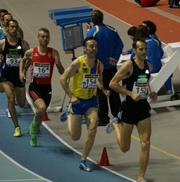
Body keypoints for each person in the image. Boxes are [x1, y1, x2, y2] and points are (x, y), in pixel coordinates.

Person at [106, 39, 157, 182]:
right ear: (134, 50)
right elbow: (112, 84)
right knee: (124, 147)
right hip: (129, 108)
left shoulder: (149, 66)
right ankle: (116, 124)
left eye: (145, 49)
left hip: (142, 108)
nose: (144, 51)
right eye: (141, 49)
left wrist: (150, 92)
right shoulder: (128, 65)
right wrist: (130, 93)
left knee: (145, 143)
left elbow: (144, 80)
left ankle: (141, 178)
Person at [60, 36, 109, 171]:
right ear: (85, 49)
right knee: (75, 136)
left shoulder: (99, 65)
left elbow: (97, 80)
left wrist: (103, 89)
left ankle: (83, 160)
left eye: (95, 46)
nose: (93, 48)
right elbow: (63, 79)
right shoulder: (78, 63)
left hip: (91, 102)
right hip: (77, 102)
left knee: (93, 129)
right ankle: (68, 110)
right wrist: (71, 96)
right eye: (91, 46)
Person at [19, 28, 64, 147]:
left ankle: (34, 125)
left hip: (47, 88)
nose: (45, 39)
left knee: (41, 112)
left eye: (47, 37)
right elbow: (23, 61)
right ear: (38, 38)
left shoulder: (53, 52)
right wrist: (22, 73)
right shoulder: (31, 52)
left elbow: (61, 69)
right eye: (42, 36)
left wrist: (60, 67)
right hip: (35, 87)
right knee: (42, 108)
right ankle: (33, 132)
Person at [86, 9, 123, 126]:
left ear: (92, 20)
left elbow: (90, 49)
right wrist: (114, 58)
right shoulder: (112, 29)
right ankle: (117, 115)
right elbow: (120, 44)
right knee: (114, 91)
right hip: (112, 66)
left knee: (101, 93)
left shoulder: (92, 32)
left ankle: (103, 118)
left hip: (98, 67)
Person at [0, 19, 29, 137]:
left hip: (19, 78)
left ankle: (19, 99)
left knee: (21, 104)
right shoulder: (2, 43)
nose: (14, 29)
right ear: (7, 29)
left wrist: (24, 71)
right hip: (6, 77)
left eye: (16, 27)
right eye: (12, 27)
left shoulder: (23, 44)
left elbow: (29, 59)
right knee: (11, 98)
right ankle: (17, 127)